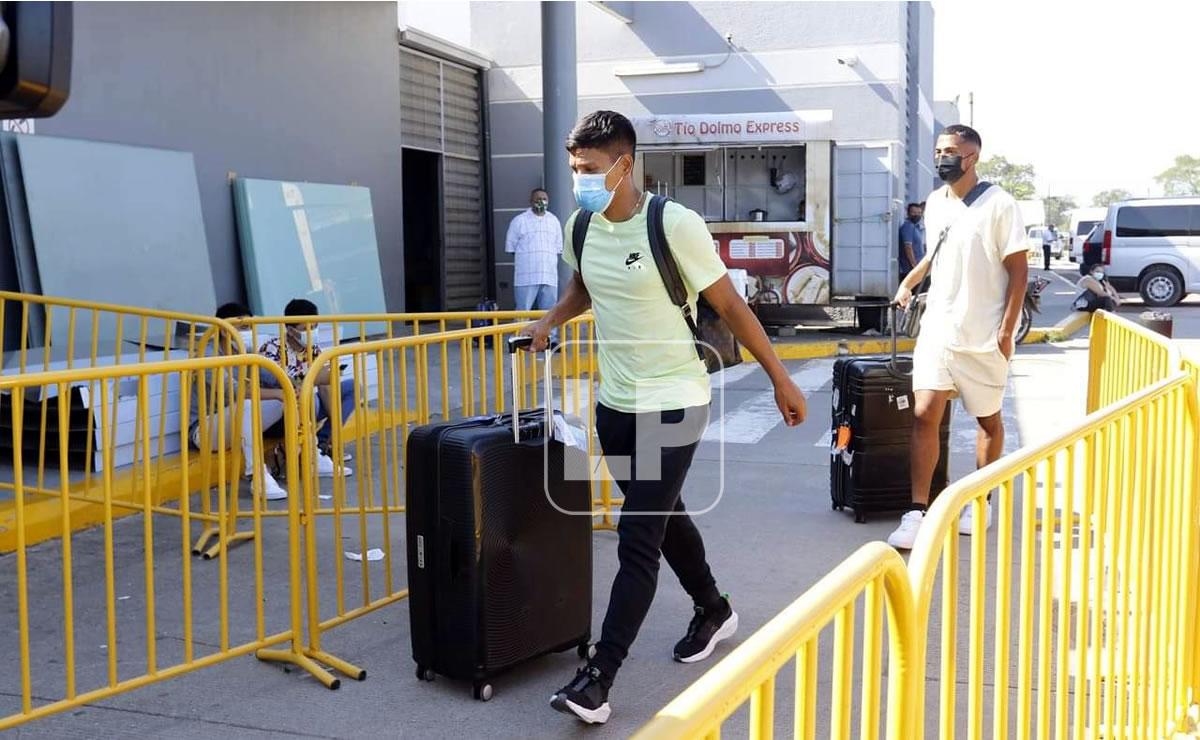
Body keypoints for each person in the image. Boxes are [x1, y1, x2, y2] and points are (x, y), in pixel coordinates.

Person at [520, 111, 808, 725]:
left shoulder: (674, 225)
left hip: (675, 398)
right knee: (665, 514)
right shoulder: (579, 225)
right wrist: (548, 322)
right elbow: (584, 288)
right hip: (615, 405)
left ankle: (598, 679)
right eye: (574, 169)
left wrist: (780, 378)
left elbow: (730, 305)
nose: (579, 180)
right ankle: (713, 608)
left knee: (638, 536)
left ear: (624, 165)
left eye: (590, 169)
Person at [887, 124, 1028, 550]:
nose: (941, 158)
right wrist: (909, 282)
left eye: (949, 151)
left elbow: (1019, 272)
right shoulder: (935, 203)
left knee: (988, 421)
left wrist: (1006, 331)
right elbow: (935, 254)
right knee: (924, 412)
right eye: (938, 151)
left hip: (982, 334)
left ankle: (981, 501)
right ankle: (917, 511)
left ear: (972, 157)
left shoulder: (1000, 204)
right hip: (938, 329)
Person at [189, 302, 288, 500]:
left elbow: (273, 378)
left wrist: (292, 385)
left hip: (237, 423)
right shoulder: (207, 355)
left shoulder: (245, 351)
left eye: (250, 327)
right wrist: (278, 392)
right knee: (248, 402)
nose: (248, 332)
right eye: (243, 328)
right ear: (224, 330)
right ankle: (257, 476)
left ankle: (309, 454)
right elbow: (236, 391)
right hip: (205, 431)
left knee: (289, 398)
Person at [258, 299, 354, 477]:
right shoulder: (272, 349)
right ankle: (311, 454)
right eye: (306, 328)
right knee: (308, 394)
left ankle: (323, 443)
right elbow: (280, 384)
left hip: (308, 409)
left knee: (352, 387)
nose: (312, 332)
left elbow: (324, 386)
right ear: (290, 330)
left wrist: (336, 427)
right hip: (281, 414)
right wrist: (312, 379)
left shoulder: (313, 349)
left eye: (315, 326)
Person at [507, 187, 563, 320]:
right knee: (522, 313)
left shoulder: (554, 221)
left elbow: (558, 248)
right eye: (538, 199)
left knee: (549, 314)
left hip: (549, 275)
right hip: (526, 276)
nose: (541, 202)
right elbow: (511, 248)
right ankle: (520, 334)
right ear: (531, 201)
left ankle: (549, 335)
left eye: (544, 199)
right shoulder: (519, 221)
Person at [899, 202, 926, 281]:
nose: (917, 215)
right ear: (908, 214)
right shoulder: (908, 226)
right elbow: (908, 247)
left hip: (917, 268)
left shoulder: (916, 227)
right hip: (910, 270)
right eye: (914, 212)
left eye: (919, 213)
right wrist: (914, 266)